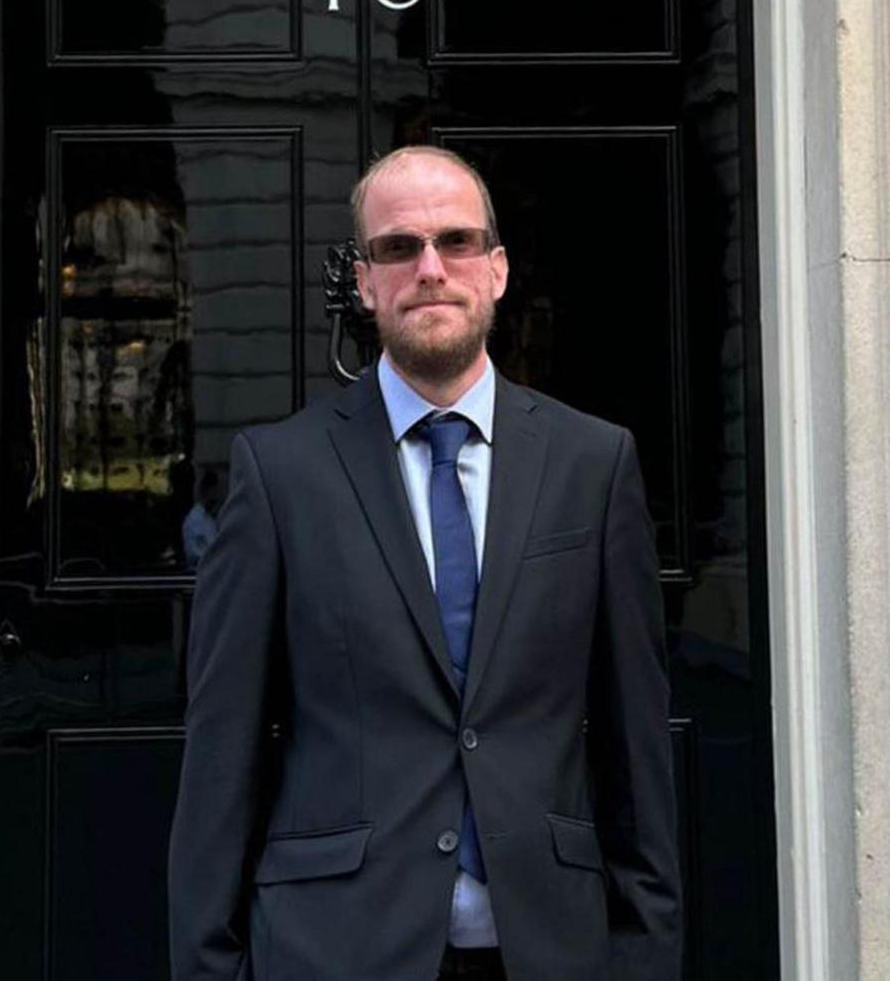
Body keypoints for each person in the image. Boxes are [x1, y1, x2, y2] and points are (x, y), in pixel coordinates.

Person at [167, 146, 681, 981]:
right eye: (398, 248)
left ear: (499, 269)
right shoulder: (278, 474)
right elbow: (222, 757)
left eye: (457, 241)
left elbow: (635, 754)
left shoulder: (594, 464)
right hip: (333, 949)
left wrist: (645, 959)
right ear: (365, 281)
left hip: (548, 948)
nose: (431, 269)